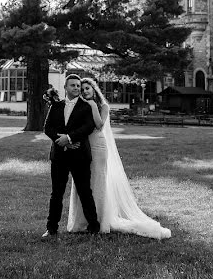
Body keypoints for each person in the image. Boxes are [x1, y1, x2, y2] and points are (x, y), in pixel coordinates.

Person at [68, 78, 171, 239]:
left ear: (94, 89)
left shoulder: (102, 106)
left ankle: (100, 220)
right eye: (82, 90)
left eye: (87, 88)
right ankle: (82, 220)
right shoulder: (82, 106)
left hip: (98, 147)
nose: (85, 91)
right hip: (84, 147)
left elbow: (99, 125)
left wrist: (93, 106)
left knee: (97, 182)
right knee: (83, 183)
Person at [43, 76, 99, 238]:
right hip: (59, 155)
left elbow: (88, 127)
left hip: (80, 155)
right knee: (56, 193)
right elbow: (47, 128)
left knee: (85, 192)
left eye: (78, 85)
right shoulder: (56, 106)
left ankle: (94, 227)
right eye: (73, 85)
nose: (76, 88)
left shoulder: (86, 106)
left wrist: (69, 138)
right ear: (66, 87)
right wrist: (63, 142)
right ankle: (51, 228)